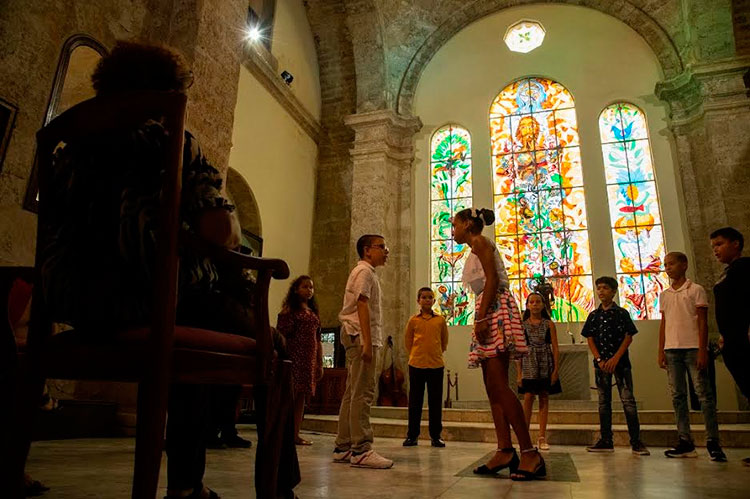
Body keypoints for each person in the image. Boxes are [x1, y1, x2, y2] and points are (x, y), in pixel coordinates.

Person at [38, 41, 300, 498]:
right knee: (274, 349)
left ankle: (188, 486)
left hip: (77, 303)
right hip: (151, 300)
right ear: (168, 91)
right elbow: (220, 232)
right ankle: (263, 489)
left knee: (197, 318)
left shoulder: (67, 147)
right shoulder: (169, 139)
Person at [452, 207, 544, 481]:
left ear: (468, 224)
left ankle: (529, 452)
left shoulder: (480, 241)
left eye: (455, 225)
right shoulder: (475, 246)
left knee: (500, 385)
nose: (453, 231)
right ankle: (505, 449)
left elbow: (492, 279)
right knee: (492, 386)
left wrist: (481, 319)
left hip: (494, 308)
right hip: (487, 306)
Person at [657, 251, 726, 460]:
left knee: (703, 395)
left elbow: (703, 322)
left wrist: (703, 349)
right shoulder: (665, 294)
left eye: (671, 264)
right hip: (672, 349)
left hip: (693, 348)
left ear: (684, 265)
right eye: (665, 265)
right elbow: (664, 323)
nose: (667, 268)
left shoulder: (696, 290)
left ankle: (713, 442)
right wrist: (661, 350)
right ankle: (685, 440)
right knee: (678, 396)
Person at [332, 234, 393, 469]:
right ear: (367, 250)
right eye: (382, 247)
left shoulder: (365, 272)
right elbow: (362, 304)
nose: (386, 251)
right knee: (363, 393)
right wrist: (368, 342)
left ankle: (343, 446)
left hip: (355, 334)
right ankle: (361, 450)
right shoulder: (365, 272)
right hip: (360, 335)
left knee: (352, 391)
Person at [582, 276, 650, 456]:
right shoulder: (594, 315)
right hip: (601, 365)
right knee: (603, 403)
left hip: (621, 364)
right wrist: (599, 360)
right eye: (599, 288)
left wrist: (615, 358)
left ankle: (636, 442)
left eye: (605, 288)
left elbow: (629, 336)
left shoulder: (622, 313)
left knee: (628, 401)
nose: (601, 291)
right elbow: (589, 337)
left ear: (613, 291)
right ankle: (606, 440)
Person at [710, 227, 750, 466]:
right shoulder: (729, 272)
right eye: (714, 245)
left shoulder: (745, 268)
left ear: (736, 244)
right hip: (733, 340)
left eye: (720, 244)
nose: (715, 249)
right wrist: (725, 335)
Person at [276, 275, 324, 446]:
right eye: (305, 287)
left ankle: (295, 434)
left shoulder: (313, 312)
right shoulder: (289, 311)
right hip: (293, 357)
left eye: (311, 287)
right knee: (289, 396)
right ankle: (282, 433)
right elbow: (281, 336)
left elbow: (318, 339)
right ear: (296, 289)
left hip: (308, 360)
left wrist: (319, 363)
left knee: (301, 398)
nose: (309, 290)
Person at [402, 287, 449, 448]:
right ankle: (412, 436)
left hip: (436, 365)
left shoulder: (440, 320)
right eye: (424, 297)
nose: (427, 300)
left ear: (434, 301)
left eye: (430, 297)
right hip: (416, 365)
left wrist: (435, 353)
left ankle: (436, 436)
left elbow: (444, 341)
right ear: (418, 300)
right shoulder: (413, 320)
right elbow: (408, 342)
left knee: (435, 402)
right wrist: (416, 354)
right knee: (415, 402)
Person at [516, 292, 560, 451]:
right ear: (527, 305)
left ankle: (542, 436)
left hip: (545, 362)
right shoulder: (523, 325)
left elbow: (555, 346)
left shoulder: (549, 324)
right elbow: (519, 349)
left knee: (543, 396)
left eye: (538, 302)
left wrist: (556, 369)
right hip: (529, 361)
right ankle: (525, 434)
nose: (535, 304)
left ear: (543, 305)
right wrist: (519, 373)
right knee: (528, 397)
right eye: (531, 302)